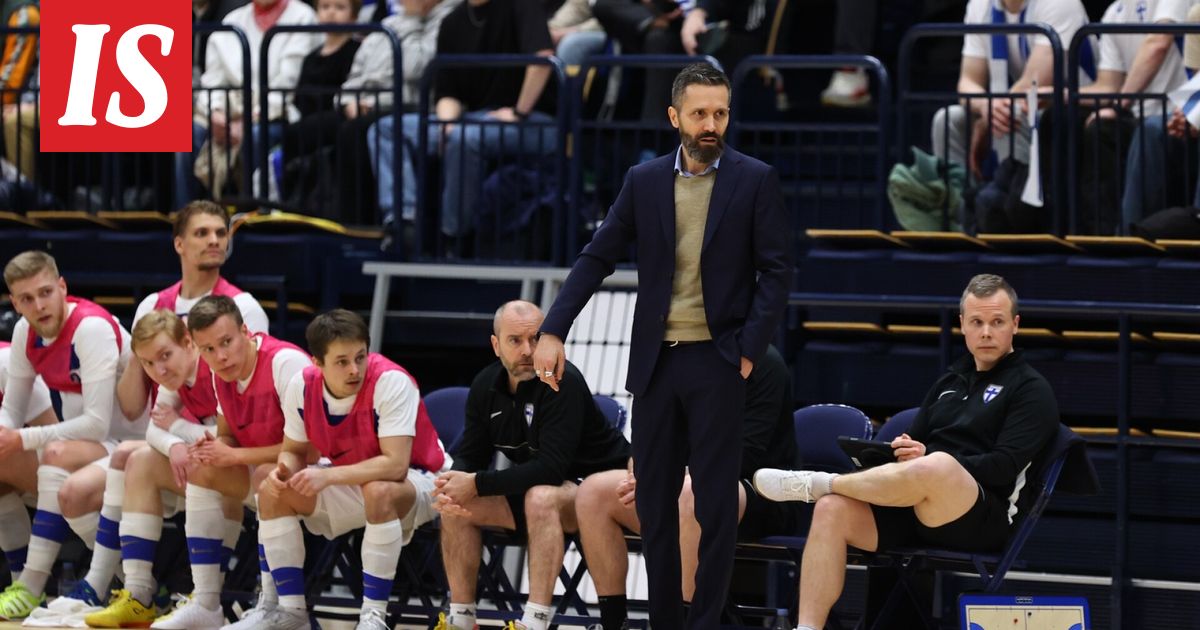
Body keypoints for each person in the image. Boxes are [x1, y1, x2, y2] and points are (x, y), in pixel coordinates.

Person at [532, 63, 791, 630]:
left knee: (715, 507)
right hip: (656, 364)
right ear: (674, 116)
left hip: (719, 360)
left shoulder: (754, 179)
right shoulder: (644, 180)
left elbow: (776, 272)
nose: (711, 124)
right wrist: (553, 329)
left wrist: (748, 348)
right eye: (699, 113)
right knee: (653, 504)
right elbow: (597, 257)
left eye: (720, 112)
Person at [752, 274, 1061, 630]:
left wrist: (931, 460)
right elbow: (914, 443)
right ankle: (807, 627)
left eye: (997, 322)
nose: (987, 332)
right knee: (831, 509)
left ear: (1015, 325)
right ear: (962, 325)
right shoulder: (949, 381)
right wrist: (904, 451)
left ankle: (817, 482)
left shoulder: (1031, 389)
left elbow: (1003, 468)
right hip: (916, 505)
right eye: (977, 322)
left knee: (939, 464)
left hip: (981, 515)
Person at [432, 300, 630, 630]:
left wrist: (477, 483)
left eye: (536, 338)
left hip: (602, 495)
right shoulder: (485, 386)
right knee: (457, 501)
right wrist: (454, 482)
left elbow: (551, 469)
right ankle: (461, 619)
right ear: (496, 345)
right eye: (515, 341)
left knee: (540, 495)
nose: (527, 350)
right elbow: (470, 453)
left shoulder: (562, 382)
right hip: (540, 497)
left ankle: (534, 622)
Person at [575, 344, 799, 630]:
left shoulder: (765, 362)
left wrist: (670, 475)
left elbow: (747, 453)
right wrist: (642, 470)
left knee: (692, 493)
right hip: (685, 486)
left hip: (762, 492)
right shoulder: (677, 356)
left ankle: (682, 621)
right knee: (593, 492)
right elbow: (651, 435)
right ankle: (613, 622)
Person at [257, 309, 450, 630]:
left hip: (423, 479)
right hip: (350, 475)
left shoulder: (391, 381)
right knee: (269, 485)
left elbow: (395, 465)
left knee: (379, 489)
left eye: (360, 357)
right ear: (317, 363)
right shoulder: (301, 386)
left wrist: (326, 476)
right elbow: (292, 451)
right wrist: (283, 472)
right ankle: (289, 614)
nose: (354, 369)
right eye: (342, 361)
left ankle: (372, 617)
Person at [0, 252, 148, 622]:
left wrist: (20, 439)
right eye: (27, 299)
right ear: (14, 303)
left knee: (53, 454)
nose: (39, 305)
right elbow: (12, 410)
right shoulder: (25, 332)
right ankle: (122, 581)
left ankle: (32, 585)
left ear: (62, 287)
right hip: (90, 447)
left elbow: (97, 424)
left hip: (136, 442)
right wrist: (5, 433)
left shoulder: (91, 328)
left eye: (46, 292)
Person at [82, 311, 245, 629]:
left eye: (165, 356)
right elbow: (155, 429)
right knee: (140, 460)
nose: (158, 369)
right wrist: (174, 445)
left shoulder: (217, 365)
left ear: (188, 343)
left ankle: (209, 594)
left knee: (204, 465)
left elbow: (235, 440)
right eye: (147, 363)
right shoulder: (176, 376)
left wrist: (178, 427)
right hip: (213, 465)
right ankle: (138, 593)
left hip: (251, 466)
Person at [367, 0, 558, 236]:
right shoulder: (452, 21)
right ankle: (403, 221)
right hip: (477, 118)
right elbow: (448, 92)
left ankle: (452, 235)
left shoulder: (522, 5)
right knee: (387, 129)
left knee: (464, 137)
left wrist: (520, 111)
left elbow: (542, 60)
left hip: (537, 121)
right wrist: (446, 124)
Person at [180, 296, 311, 630]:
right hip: (267, 478)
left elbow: (309, 451)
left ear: (245, 331)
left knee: (268, 475)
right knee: (201, 468)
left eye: (226, 342)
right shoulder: (220, 373)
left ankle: (274, 606)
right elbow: (228, 438)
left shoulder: (286, 363)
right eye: (208, 349)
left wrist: (235, 455)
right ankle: (206, 603)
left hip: (319, 476)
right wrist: (213, 445)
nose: (220, 356)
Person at [177, 0, 320, 209]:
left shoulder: (302, 16)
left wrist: (248, 119)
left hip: (278, 114)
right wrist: (215, 113)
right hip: (229, 109)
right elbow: (213, 80)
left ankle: (251, 216)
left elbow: (287, 85)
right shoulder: (232, 20)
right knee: (187, 134)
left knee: (254, 135)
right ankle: (185, 216)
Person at [932, 0, 1090, 179]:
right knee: (948, 120)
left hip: (1078, 109)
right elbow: (967, 82)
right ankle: (959, 202)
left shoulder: (1059, 3)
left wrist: (988, 119)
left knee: (1006, 116)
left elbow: (1033, 84)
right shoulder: (980, 6)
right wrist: (985, 106)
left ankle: (1008, 202)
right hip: (1029, 107)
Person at [0, 331, 57, 586]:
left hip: (67, 460)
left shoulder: (5, 361)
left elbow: (55, 440)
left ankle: (143, 588)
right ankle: (21, 584)